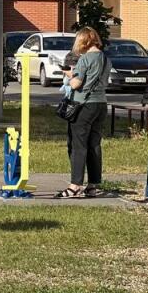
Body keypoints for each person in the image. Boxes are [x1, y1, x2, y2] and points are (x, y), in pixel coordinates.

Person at [56, 27, 110, 199]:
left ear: (83, 41)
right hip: (101, 104)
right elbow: (98, 79)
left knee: (78, 145)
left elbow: (76, 84)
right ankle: (93, 185)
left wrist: (69, 75)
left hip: (83, 105)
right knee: (94, 144)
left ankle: (75, 185)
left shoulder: (85, 59)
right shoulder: (105, 59)